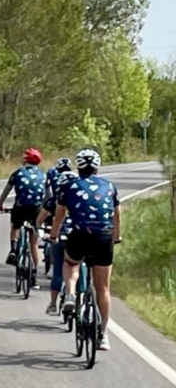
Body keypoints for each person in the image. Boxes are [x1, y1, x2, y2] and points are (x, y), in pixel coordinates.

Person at [50, 148, 121, 351]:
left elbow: (59, 215)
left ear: (78, 167)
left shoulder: (69, 186)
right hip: (104, 236)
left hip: (80, 234)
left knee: (70, 262)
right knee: (104, 288)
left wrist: (53, 235)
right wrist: (116, 237)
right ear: (97, 167)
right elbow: (117, 215)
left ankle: (70, 295)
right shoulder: (109, 186)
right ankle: (104, 334)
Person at [0, 147, 46, 289]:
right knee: (34, 243)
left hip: (20, 207)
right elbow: (48, 195)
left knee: (15, 226)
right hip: (36, 209)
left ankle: (13, 250)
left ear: (25, 160)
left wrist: (0, 204)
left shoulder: (18, 173)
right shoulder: (43, 175)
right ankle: (34, 277)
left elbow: (6, 190)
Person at [44, 170, 87, 315]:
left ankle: (53, 304)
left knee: (58, 270)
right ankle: (80, 297)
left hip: (60, 237)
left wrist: (49, 234)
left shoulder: (54, 200)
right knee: (79, 265)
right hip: (79, 236)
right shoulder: (82, 198)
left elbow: (41, 219)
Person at [36, 158, 72, 279]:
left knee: (53, 237)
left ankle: (52, 266)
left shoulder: (51, 173)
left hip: (52, 205)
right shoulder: (74, 178)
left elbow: (46, 193)